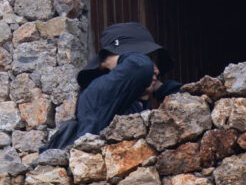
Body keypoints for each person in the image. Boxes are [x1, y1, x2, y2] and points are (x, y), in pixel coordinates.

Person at [42, 22, 177, 157]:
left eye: (155, 61)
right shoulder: (97, 94)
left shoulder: (135, 104)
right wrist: (114, 58)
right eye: (147, 58)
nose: (156, 70)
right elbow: (139, 66)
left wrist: (161, 87)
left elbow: (190, 103)